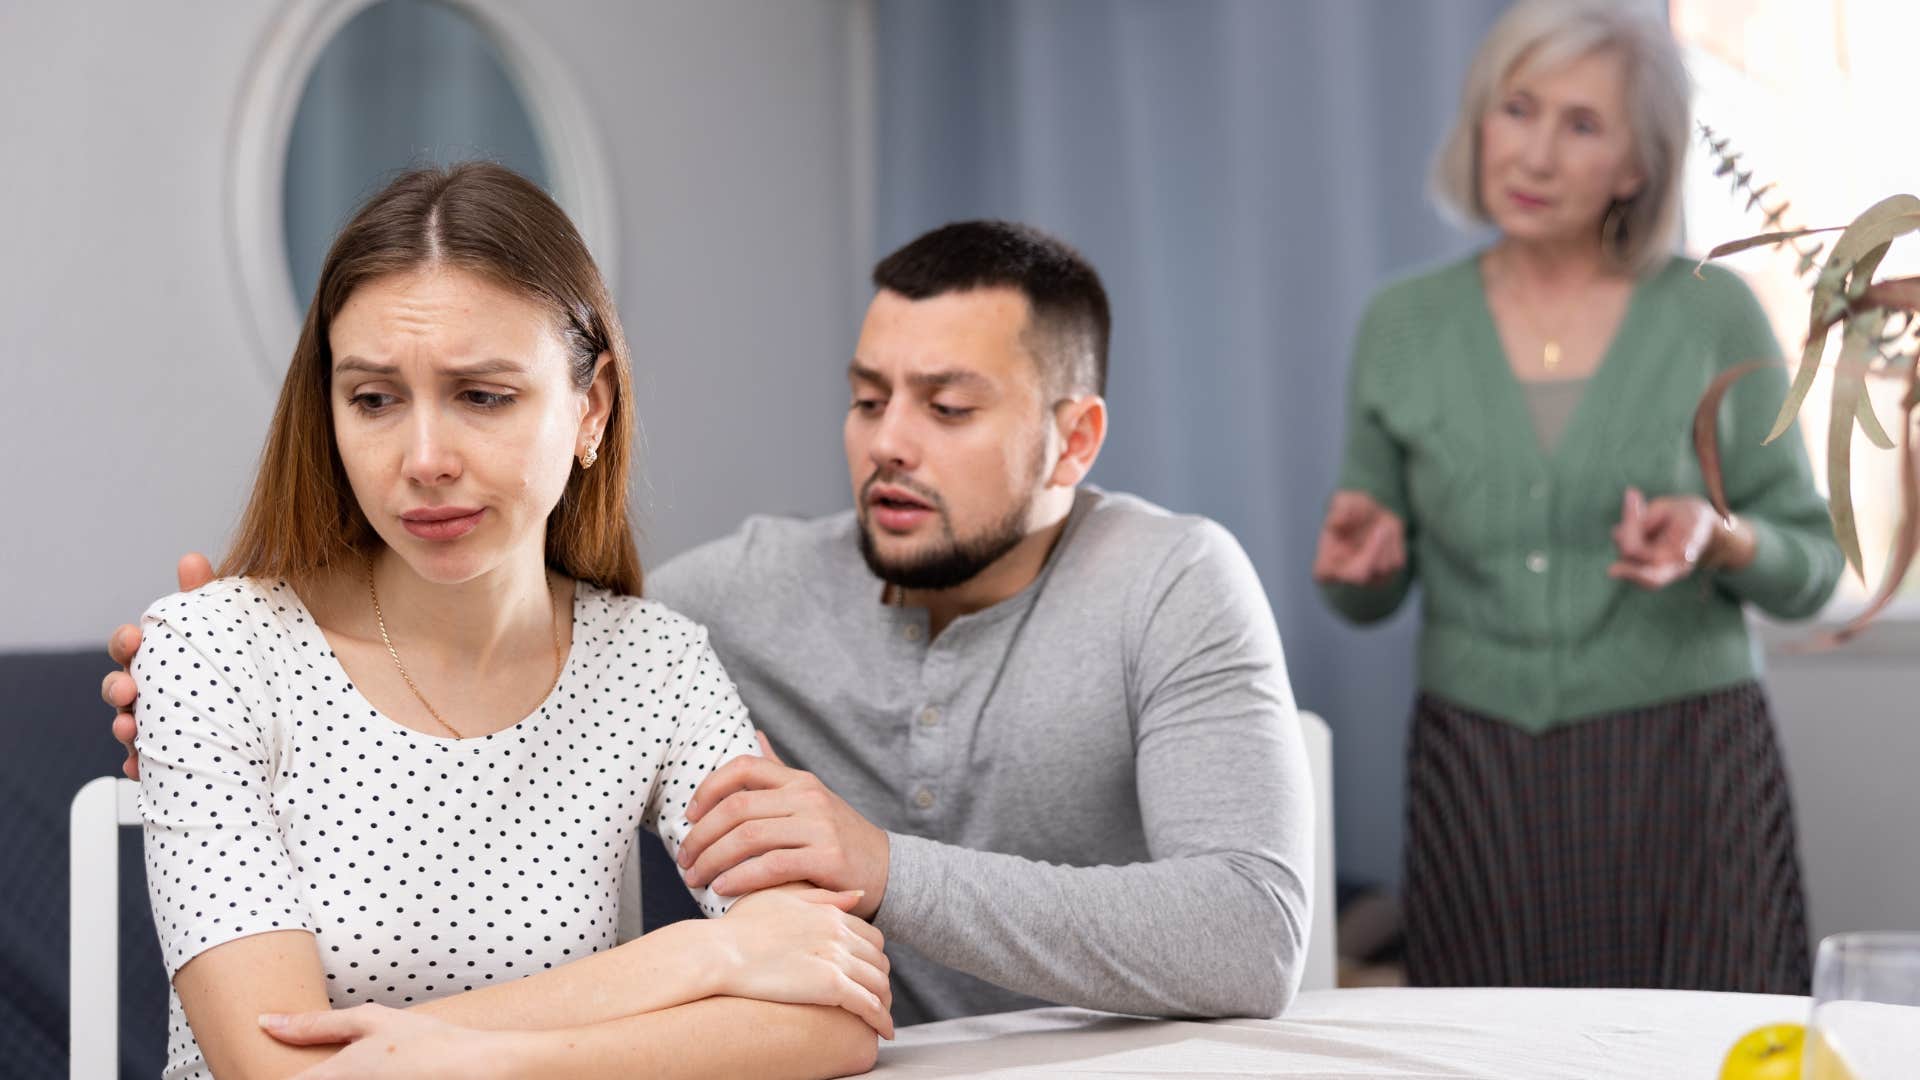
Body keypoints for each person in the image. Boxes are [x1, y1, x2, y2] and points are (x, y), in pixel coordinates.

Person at [111, 219, 1315, 1026]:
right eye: (866, 397)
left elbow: (1251, 935)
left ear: (1078, 436)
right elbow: (510, 622)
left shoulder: (1171, 580)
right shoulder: (726, 598)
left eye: (948, 405)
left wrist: (884, 869)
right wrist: (217, 676)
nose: (890, 439)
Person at [122, 163, 888, 1080]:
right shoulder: (209, 651)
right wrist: (696, 958)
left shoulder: (655, 665)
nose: (425, 458)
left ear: (590, 408)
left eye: (483, 396)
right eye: (373, 399)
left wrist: (454, 1056)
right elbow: (284, 1070)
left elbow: (838, 1011)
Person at [1313, 0, 1839, 992]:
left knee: (1711, 1047)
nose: (1536, 154)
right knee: (1488, 1053)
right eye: (1518, 108)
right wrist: (1356, 568)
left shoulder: (1711, 313)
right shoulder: (1403, 325)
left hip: (1688, 762)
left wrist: (1721, 540)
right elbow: (1366, 580)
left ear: (1636, 166)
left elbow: (1810, 566)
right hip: (1478, 768)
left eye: (1583, 125)